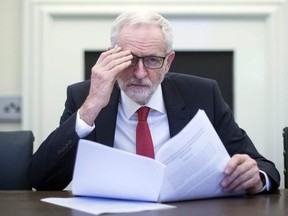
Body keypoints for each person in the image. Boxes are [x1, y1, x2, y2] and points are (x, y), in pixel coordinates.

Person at [28, 10, 280, 194]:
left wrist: (256, 177)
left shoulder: (202, 94)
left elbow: (264, 167)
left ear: (168, 62)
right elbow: (42, 179)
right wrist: (90, 108)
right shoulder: (83, 96)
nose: (139, 73)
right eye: (129, 59)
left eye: (151, 60)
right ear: (111, 56)